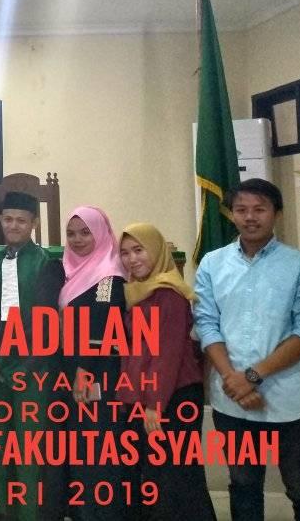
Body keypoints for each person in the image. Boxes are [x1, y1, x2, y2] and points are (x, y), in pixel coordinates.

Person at [194, 178, 300, 521]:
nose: (250, 217)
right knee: (244, 487)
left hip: (290, 402)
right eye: (241, 210)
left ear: (276, 214)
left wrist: (250, 377)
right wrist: (232, 379)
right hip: (233, 403)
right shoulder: (212, 264)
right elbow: (206, 323)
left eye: (259, 209)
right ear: (232, 214)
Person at [116, 222, 216, 521]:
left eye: (139, 250)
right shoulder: (137, 291)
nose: (132, 259)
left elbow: (166, 355)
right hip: (148, 396)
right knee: (158, 478)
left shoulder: (168, 293)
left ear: (156, 250)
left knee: (174, 480)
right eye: (125, 253)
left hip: (171, 396)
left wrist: (154, 405)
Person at [0, 191, 64, 521]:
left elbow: (48, 321)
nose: (13, 226)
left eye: (21, 220)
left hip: (34, 365)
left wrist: (27, 361)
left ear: (34, 223)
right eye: (8, 219)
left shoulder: (46, 263)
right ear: (0, 221)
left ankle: (28, 511)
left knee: (29, 440)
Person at [57, 206, 128, 521]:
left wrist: (83, 373)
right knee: (80, 444)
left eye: (86, 232)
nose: (78, 240)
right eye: (71, 234)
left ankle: (102, 513)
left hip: (98, 373)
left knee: (99, 445)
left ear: (100, 233)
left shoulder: (109, 277)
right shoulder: (70, 271)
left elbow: (102, 328)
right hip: (73, 370)